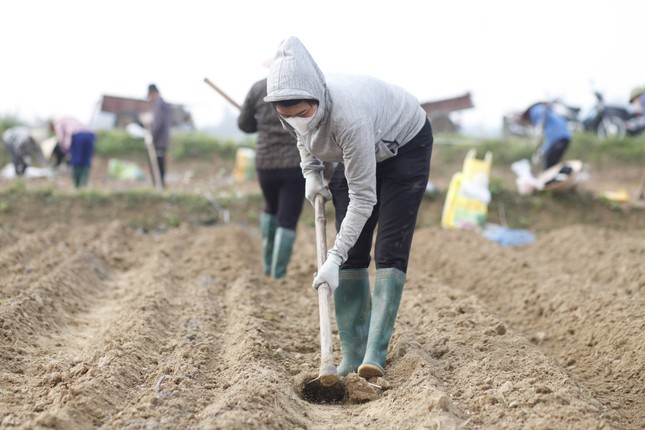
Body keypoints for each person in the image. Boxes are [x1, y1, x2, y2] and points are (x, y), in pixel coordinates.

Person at [264, 37, 433, 378]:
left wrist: (333, 258)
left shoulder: (347, 117)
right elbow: (305, 138)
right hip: (358, 148)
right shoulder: (292, 108)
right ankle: (351, 355)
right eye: (288, 115)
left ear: (317, 98)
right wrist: (311, 173)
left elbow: (364, 199)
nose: (296, 120)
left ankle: (374, 353)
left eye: (302, 113)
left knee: (389, 247)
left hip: (403, 145)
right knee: (354, 251)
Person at [238, 78, 305, 279]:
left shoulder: (258, 87)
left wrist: (260, 122)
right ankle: (278, 273)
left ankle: (268, 267)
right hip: (294, 162)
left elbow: (244, 124)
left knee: (270, 209)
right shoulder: (299, 87)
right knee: (287, 219)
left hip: (265, 163)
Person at [521, 102, 571, 170]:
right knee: (552, 164)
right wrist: (542, 151)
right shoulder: (550, 112)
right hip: (566, 138)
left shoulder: (535, 110)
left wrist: (539, 126)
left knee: (549, 167)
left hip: (559, 139)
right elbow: (549, 141)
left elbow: (541, 119)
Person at [50, 117, 96, 188]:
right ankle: (84, 184)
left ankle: (77, 185)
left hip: (78, 136)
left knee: (77, 160)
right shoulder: (71, 119)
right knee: (86, 160)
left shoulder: (58, 124)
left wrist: (66, 149)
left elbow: (61, 138)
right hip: (90, 135)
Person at [147, 83, 172, 187]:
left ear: (153, 93)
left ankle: (159, 184)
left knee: (158, 164)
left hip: (159, 141)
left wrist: (152, 137)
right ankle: (160, 184)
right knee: (160, 162)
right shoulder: (163, 103)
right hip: (162, 140)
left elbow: (158, 123)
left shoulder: (159, 104)